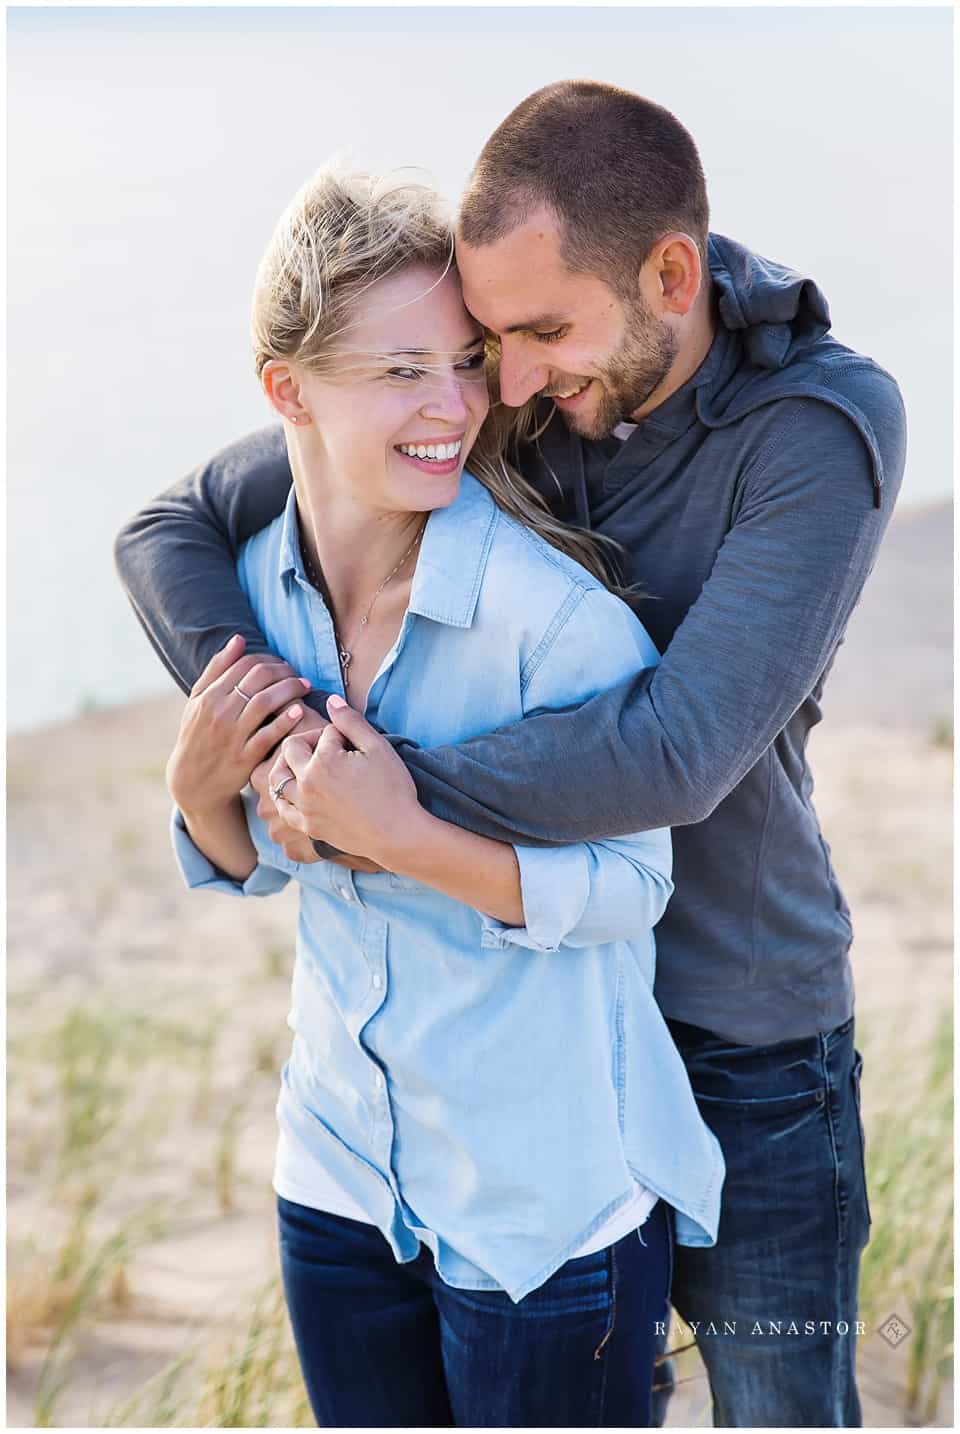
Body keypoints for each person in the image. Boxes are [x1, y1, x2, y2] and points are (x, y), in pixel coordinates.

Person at [116, 82, 906, 1428]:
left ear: (669, 276)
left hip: (745, 1039)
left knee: (780, 1409)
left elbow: (679, 751)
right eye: (486, 342)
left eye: (536, 336)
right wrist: (282, 745)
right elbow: (172, 524)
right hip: (529, 1055)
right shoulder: (502, 379)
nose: (508, 387)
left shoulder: (815, 430)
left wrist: (365, 796)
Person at [159, 163, 725, 1428]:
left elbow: (635, 885)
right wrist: (200, 800)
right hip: (341, 1175)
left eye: (465, 361)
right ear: (285, 392)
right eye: (402, 370)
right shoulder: (249, 597)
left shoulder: (556, 625)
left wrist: (410, 838)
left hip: (548, 1210)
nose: (457, 405)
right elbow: (267, 855)